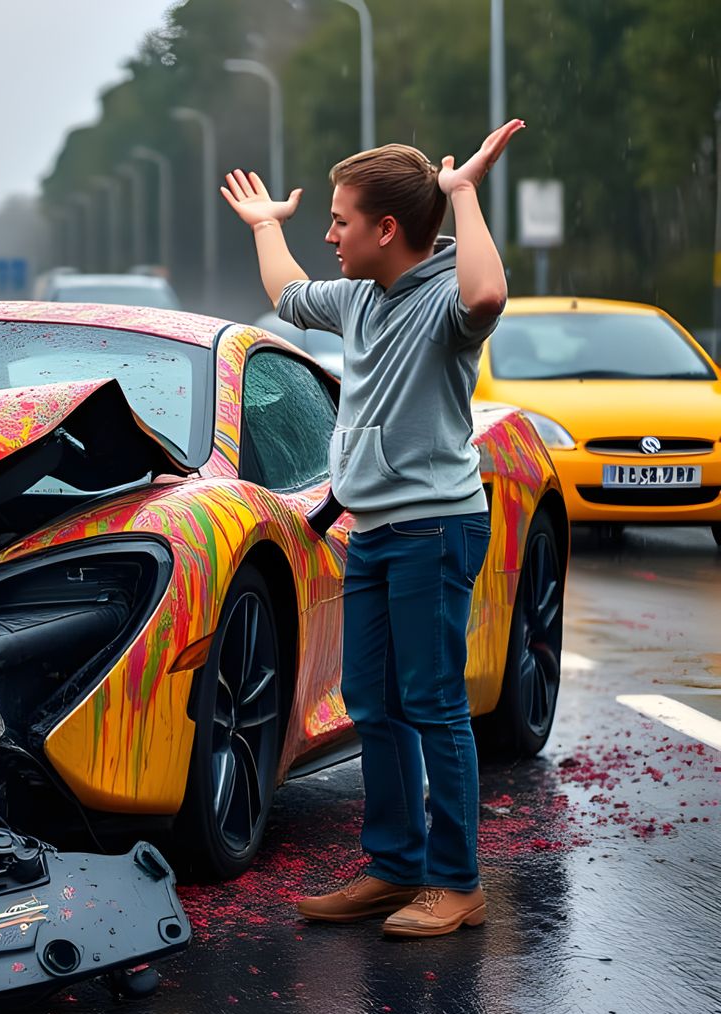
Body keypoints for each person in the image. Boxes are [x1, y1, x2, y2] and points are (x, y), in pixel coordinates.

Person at [221, 121, 524, 938]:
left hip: (433, 528)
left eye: (339, 220)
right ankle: (394, 867)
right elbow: (287, 293)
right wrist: (265, 229)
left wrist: (462, 195)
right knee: (372, 701)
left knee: (431, 704)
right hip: (375, 530)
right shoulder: (358, 299)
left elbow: (489, 295)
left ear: (386, 229)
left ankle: (457, 882)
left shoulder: (443, 305)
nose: (328, 235)